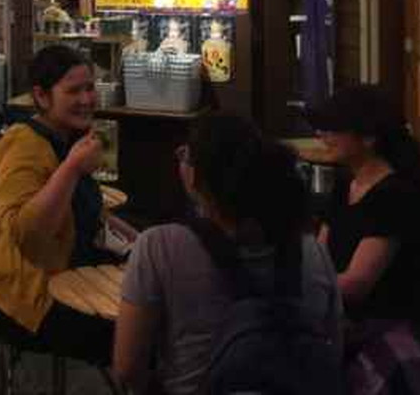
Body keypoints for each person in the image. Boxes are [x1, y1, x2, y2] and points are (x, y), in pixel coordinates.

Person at [113, 113, 343, 395]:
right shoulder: (313, 251)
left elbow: (127, 367)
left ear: (198, 175)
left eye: (185, 154)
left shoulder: (159, 247)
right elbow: (333, 347)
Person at [0, 45, 115, 366]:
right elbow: (27, 235)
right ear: (42, 96)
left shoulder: (70, 138)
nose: (87, 99)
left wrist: (142, 244)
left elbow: (88, 214)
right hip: (23, 296)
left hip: (68, 270)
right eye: (73, 91)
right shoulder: (24, 143)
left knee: (154, 303)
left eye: (90, 88)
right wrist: (72, 168)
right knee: (141, 330)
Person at [311, 85, 420, 387]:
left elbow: (357, 284)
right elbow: (320, 257)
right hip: (349, 321)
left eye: (333, 129)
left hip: (395, 328)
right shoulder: (345, 183)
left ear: (368, 137)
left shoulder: (395, 195)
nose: (322, 135)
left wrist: (305, 286)